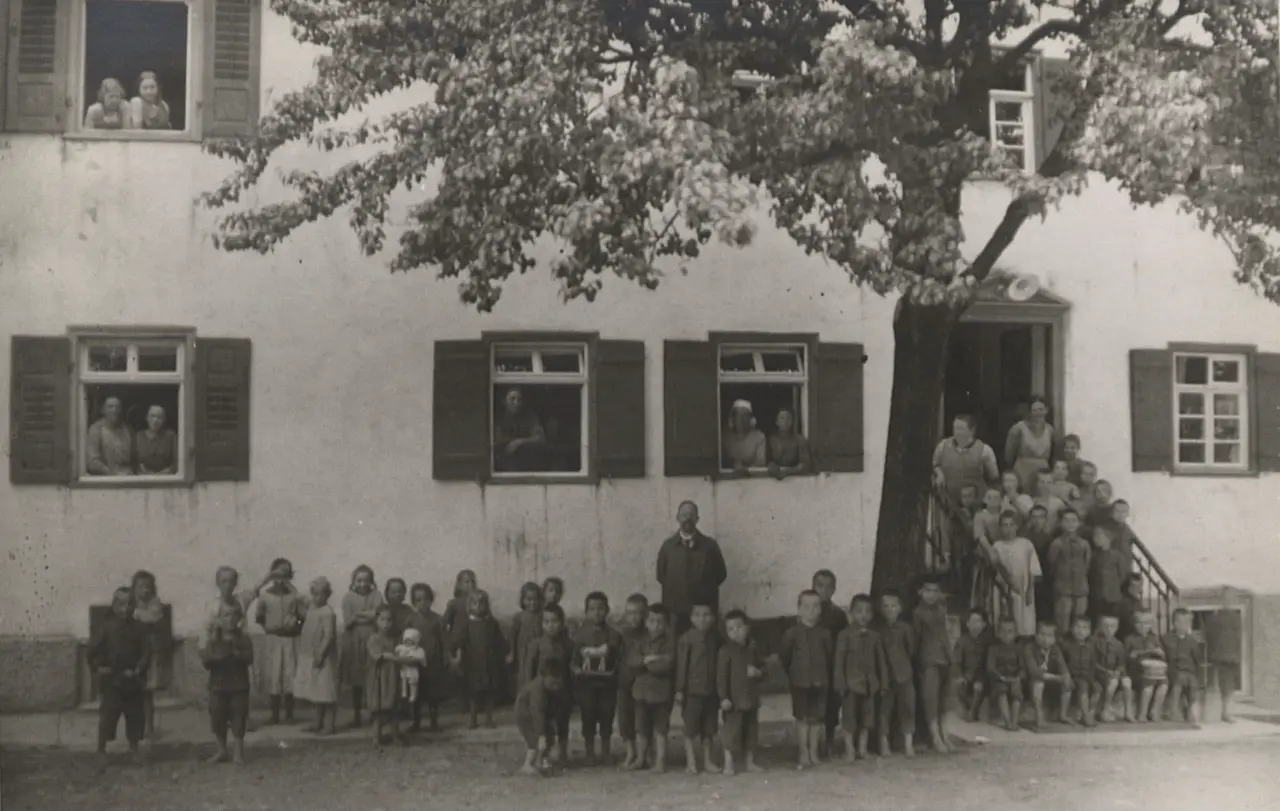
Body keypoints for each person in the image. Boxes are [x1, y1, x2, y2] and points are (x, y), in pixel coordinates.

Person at [91, 586, 151, 770]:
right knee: (108, 717)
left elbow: (146, 653)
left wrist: (139, 669)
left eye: (130, 604)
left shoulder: (140, 628)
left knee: (135, 717)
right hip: (113, 683)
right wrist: (99, 668)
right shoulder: (107, 628)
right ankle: (101, 751)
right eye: (122, 604)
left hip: (133, 681)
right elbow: (93, 652)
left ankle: (134, 750)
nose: (127, 608)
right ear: (115, 606)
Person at [780, 590, 833, 769]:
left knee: (817, 718)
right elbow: (785, 657)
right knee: (802, 718)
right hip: (800, 681)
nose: (811, 611)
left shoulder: (825, 634)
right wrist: (795, 674)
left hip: (821, 681)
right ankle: (803, 752)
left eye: (816, 606)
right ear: (799, 609)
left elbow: (830, 656)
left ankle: (814, 752)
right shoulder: (791, 633)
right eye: (806, 606)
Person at [656, 501, 728, 633]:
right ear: (678, 518)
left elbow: (721, 574)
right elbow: (661, 575)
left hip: (703, 612)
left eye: (691, 515)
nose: (687, 518)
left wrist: (703, 591)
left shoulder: (709, 546)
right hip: (675, 611)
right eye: (684, 515)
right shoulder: (668, 546)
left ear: (697, 519)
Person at [572, 591, 623, 764]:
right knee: (588, 717)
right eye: (592, 609)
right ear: (586, 611)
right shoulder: (579, 634)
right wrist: (576, 670)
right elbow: (574, 659)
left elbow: (617, 658)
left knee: (606, 716)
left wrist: (614, 671)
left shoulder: (614, 634)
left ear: (608, 610)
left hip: (607, 683)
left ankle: (606, 752)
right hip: (586, 684)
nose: (597, 612)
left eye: (601, 608)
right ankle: (589, 753)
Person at [833, 594, 885, 761]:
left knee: (867, 718)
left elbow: (881, 662)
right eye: (859, 611)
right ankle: (849, 748)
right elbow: (839, 661)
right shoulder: (844, 635)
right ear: (851, 613)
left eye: (868, 612)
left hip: (870, 685)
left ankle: (862, 749)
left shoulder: (875, 637)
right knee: (850, 718)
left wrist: (883, 683)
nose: (863, 615)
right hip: (850, 684)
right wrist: (840, 683)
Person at [202, 600, 253, 765]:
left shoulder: (244, 638)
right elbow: (207, 661)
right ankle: (221, 749)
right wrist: (214, 657)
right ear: (219, 618)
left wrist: (238, 653)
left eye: (234, 615)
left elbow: (249, 658)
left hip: (239, 685)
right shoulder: (214, 639)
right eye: (226, 615)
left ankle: (238, 752)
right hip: (218, 685)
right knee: (217, 715)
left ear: (239, 618)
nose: (230, 619)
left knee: (238, 717)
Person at [255, 558, 304, 725]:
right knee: (274, 674)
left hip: (290, 640)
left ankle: (289, 714)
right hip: (273, 640)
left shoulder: (294, 596)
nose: (280, 580)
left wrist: (295, 626)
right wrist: (270, 628)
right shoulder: (265, 596)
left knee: (289, 674)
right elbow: (259, 617)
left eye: (285, 575)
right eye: (276, 575)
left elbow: (302, 617)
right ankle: (274, 714)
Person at [628, 603, 676, 773]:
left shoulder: (670, 643)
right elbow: (632, 662)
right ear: (646, 622)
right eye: (652, 621)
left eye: (660, 622)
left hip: (661, 692)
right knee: (640, 727)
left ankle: (660, 760)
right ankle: (641, 758)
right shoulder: (640, 641)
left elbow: (666, 665)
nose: (655, 625)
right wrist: (649, 660)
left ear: (667, 624)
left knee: (660, 728)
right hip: (641, 691)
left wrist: (648, 662)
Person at [717, 609, 766, 776]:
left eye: (739, 627)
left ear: (747, 628)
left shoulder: (753, 648)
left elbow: (764, 668)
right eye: (730, 629)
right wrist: (723, 697)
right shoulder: (725, 651)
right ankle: (729, 763)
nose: (735, 632)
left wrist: (758, 673)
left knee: (751, 732)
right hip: (733, 701)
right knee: (732, 733)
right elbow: (721, 677)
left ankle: (750, 762)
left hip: (751, 699)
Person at [450, 589, 507, 729]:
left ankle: (488, 718)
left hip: (490, 662)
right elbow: (459, 641)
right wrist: (457, 656)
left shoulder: (491, 622)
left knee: (489, 692)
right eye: (474, 603)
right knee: (473, 692)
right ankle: (473, 719)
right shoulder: (466, 623)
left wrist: (505, 653)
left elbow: (499, 640)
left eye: (481, 603)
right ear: (469, 605)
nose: (478, 606)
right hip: (473, 662)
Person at [675, 603, 720, 774]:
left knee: (708, 728)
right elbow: (681, 666)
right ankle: (691, 761)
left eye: (707, 614)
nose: (702, 619)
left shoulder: (716, 638)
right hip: (692, 692)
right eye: (698, 615)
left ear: (713, 618)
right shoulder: (686, 639)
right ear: (691, 618)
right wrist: (679, 689)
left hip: (711, 691)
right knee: (690, 728)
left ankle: (708, 760)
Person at [525, 604, 574, 763]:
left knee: (562, 722)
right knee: (544, 722)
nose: (551, 625)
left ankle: (563, 752)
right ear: (541, 624)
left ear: (561, 623)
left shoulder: (568, 644)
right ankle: (543, 755)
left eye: (554, 621)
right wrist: (530, 690)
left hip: (563, 690)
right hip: (542, 691)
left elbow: (571, 667)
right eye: (546, 622)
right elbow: (529, 670)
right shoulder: (536, 644)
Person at [913, 575, 954, 753]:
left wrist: (951, 657)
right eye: (927, 590)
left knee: (944, 699)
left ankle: (945, 734)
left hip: (945, 657)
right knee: (930, 698)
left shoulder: (941, 610)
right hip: (928, 659)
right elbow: (916, 638)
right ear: (920, 592)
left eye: (935, 591)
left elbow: (945, 634)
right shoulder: (918, 613)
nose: (931, 594)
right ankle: (935, 736)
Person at [339, 564, 383, 728]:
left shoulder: (377, 595)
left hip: (372, 639)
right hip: (353, 641)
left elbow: (378, 616)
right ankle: (357, 714)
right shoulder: (348, 597)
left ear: (372, 581)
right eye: (359, 580)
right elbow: (348, 621)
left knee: (372, 677)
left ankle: (373, 713)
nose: (363, 584)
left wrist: (358, 614)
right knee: (356, 679)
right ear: (354, 581)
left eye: (367, 580)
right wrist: (368, 614)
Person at [294, 576, 339, 735]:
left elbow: (329, 635)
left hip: (323, 657)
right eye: (315, 594)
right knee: (317, 691)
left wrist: (321, 653)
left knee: (327, 691)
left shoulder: (327, 612)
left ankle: (329, 725)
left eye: (322, 594)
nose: (318, 597)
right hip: (311, 655)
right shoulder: (312, 609)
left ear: (328, 594)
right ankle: (317, 722)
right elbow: (299, 597)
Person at [987, 511, 1042, 638]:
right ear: (1000, 528)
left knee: (1024, 618)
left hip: (1023, 587)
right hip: (1004, 588)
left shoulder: (1026, 544)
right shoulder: (997, 546)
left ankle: (1023, 639)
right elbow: (995, 570)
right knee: (1006, 614)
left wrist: (1029, 590)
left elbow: (1032, 568)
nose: (1008, 529)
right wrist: (1005, 586)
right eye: (1005, 525)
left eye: (1011, 525)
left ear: (1016, 526)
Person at [130, 570, 170, 741]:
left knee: (147, 693)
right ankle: (134, 727)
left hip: (151, 652)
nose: (144, 590)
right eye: (140, 587)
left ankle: (149, 727)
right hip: (133, 652)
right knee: (133, 692)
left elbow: (151, 617)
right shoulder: (131, 602)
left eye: (148, 587)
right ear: (134, 588)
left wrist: (136, 615)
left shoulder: (155, 603)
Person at [932, 414, 1000, 511]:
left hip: (976, 506)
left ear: (972, 430)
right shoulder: (942, 446)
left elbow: (994, 478)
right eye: (955, 428)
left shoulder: (985, 450)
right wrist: (939, 474)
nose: (956, 432)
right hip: (949, 504)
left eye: (960, 429)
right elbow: (935, 465)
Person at [812, 569, 846, 757]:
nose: (823, 590)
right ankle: (813, 744)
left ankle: (830, 741)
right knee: (814, 706)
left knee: (832, 706)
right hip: (814, 667)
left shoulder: (838, 615)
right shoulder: (807, 613)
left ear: (833, 590)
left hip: (832, 665)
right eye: (819, 585)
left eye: (828, 587)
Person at [878, 591, 916, 757]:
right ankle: (884, 743)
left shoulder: (906, 629)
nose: (890, 610)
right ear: (880, 609)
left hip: (904, 674)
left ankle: (908, 743)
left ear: (900, 608)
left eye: (893, 606)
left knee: (907, 707)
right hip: (884, 676)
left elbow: (911, 650)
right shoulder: (878, 631)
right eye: (885, 606)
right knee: (884, 709)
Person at [616, 593, 650, 770]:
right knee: (624, 718)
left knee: (641, 720)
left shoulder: (649, 634)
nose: (634, 617)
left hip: (642, 683)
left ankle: (643, 755)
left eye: (638, 612)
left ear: (645, 614)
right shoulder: (621, 634)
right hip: (624, 682)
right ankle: (630, 752)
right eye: (630, 613)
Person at [367, 605, 409, 746]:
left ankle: (395, 735)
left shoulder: (395, 639)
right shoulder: (373, 639)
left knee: (394, 709)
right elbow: (377, 655)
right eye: (382, 619)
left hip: (392, 677)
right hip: (379, 679)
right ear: (376, 621)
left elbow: (402, 652)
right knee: (378, 710)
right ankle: (375, 738)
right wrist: (392, 656)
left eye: (389, 620)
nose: (386, 623)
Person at [516, 657, 565, 776]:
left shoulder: (552, 689)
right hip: (525, 714)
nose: (556, 686)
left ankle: (540, 762)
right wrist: (541, 735)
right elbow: (536, 711)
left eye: (558, 682)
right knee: (535, 742)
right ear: (544, 677)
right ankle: (527, 765)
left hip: (542, 714)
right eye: (553, 682)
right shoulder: (536, 689)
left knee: (549, 738)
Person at [408, 582, 446, 732]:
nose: (422, 603)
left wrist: (444, 658)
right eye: (418, 600)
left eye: (426, 599)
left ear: (431, 600)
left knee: (433, 694)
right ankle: (416, 722)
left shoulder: (438, 620)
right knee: (415, 694)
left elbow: (443, 640)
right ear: (413, 602)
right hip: (416, 662)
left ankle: (433, 721)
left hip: (432, 661)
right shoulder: (410, 620)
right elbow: (406, 640)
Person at [1048, 509, 1091, 636]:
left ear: (1079, 523)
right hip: (1063, 589)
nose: (1070, 524)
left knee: (1080, 621)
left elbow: (1087, 565)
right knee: (1062, 621)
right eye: (1066, 520)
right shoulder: (1056, 544)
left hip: (1081, 589)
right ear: (1061, 523)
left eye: (1073, 520)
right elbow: (1052, 564)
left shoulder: (1084, 544)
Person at [1205, 588, 1243, 723]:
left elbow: (1239, 637)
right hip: (1216, 655)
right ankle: (1214, 713)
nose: (1228, 601)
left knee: (1229, 685)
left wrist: (1237, 654)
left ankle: (1226, 712)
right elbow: (1209, 636)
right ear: (1220, 600)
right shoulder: (1213, 617)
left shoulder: (1237, 617)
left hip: (1232, 655)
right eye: (1225, 598)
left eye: (1231, 598)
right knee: (1215, 684)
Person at [1024, 620, 1071, 729]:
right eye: (1042, 634)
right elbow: (1035, 672)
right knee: (1038, 684)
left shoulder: (1055, 649)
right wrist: (1056, 677)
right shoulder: (1029, 648)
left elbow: (1063, 667)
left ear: (1055, 638)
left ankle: (1063, 714)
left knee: (1067, 681)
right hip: (1031, 681)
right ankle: (1039, 717)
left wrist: (1066, 676)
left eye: (1050, 636)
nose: (1045, 639)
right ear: (1036, 635)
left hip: (1051, 681)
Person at [1005, 395, 1055, 495]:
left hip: (1042, 471)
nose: (1038, 413)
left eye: (1041, 409)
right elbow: (1009, 453)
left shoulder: (1050, 429)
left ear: (1046, 410)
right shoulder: (1018, 428)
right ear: (1030, 412)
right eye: (1034, 410)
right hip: (1023, 470)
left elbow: (1052, 454)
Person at [1125, 610, 1168, 723]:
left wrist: (1160, 653)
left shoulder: (1154, 638)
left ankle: (1154, 710)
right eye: (1140, 623)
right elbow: (1128, 658)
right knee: (1148, 687)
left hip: (1152, 672)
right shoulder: (1130, 639)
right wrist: (1143, 652)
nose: (1143, 626)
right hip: (1136, 672)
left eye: (1147, 623)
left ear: (1151, 624)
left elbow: (1162, 656)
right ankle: (1142, 713)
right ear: (1134, 624)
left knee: (1163, 685)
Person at [1163, 608, 1203, 724]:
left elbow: (1197, 659)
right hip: (1173, 670)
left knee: (1193, 683)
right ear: (1173, 623)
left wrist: (1197, 675)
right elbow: (1167, 657)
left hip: (1189, 672)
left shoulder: (1192, 641)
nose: (1183, 625)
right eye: (1179, 622)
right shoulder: (1167, 638)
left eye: (1187, 622)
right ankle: (1173, 710)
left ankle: (1191, 709)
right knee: (1179, 680)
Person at [493, 386, 547, 471]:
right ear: (504, 401)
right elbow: (498, 441)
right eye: (512, 399)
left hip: (527, 465)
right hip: (503, 466)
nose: (516, 403)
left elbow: (541, 438)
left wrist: (519, 442)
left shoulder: (529, 417)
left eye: (519, 399)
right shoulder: (497, 419)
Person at [954, 608, 993, 723]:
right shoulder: (962, 641)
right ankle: (968, 706)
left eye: (979, 622)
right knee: (960, 687)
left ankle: (973, 712)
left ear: (985, 624)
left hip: (982, 674)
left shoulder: (988, 640)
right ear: (967, 624)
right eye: (972, 622)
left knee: (978, 686)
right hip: (967, 673)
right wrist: (960, 676)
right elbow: (957, 661)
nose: (975, 625)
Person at [986, 617, 1025, 731]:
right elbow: (990, 667)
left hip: (1014, 678)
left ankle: (1014, 721)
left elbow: (1022, 667)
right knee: (1001, 692)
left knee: (1017, 693)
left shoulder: (1018, 648)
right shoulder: (993, 648)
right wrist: (1001, 677)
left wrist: (1018, 678)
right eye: (1002, 631)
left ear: (1016, 633)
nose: (1006, 635)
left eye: (1010, 632)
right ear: (998, 633)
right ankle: (1007, 722)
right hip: (999, 678)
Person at [1092, 614, 1133, 722]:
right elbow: (1093, 662)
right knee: (1113, 682)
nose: (1109, 629)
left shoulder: (1118, 644)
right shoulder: (1095, 642)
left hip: (1114, 673)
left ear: (1117, 628)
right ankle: (1106, 708)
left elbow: (1122, 663)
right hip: (1100, 673)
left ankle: (1128, 711)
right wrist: (1106, 671)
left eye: (1112, 626)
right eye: (1106, 626)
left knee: (1127, 682)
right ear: (1101, 627)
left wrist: (1118, 671)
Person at [1059, 617, 1098, 727]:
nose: (1081, 631)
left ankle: (1087, 714)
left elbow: (1093, 664)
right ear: (1072, 629)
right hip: (1070, 675)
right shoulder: (1066, 645)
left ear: (1089, 632)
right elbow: (1062, 663)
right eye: (1078, 627)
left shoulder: (1091, 647)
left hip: (1085, 676)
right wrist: (1066, 675)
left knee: (1090, 689)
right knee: (1068, 688)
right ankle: (1063, 714)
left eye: (1085, 628)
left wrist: (1091, 678)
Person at [510, 582, 545, 694]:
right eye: (529, 599)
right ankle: (523, 698)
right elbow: (513, 635)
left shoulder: (543, 616)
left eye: (535, 599)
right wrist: (511, 652)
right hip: (523, 652)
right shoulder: (519, 617)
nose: (532, 602)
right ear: (523, 600)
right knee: (524, 674)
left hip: (539, 650)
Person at [1089, 528, 1128, 626]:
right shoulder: (1093, 555)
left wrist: (1113, 586)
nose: (1095, 539)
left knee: (1112, 619)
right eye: (1094, 536)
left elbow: (1122, 574)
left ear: (1108, 538)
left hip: (1112, 596)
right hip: (1097, 595)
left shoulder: (1117, 555)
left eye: (1099, 536)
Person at [86, 396, 133, 475]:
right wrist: (113, 473)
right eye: (110, 407)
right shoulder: (96, 429)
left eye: (117, 407)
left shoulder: (127, 429)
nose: (114, 410)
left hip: (127, 476)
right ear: (103, 410)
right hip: (106, 479)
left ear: (121, 410)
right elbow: (92, 462)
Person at [767, 406, 812, 479]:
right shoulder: (771, 440)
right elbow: (765, 461)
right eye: (782, 418)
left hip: (794, 481)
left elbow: (806, 465)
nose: (785, 421)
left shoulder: (800, 440)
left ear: (792, 421)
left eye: (788, 418)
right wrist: (771, 465)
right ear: (777, 422)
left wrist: (789, 471)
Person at [722, 399, 766, 473]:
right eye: (739, 415)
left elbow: (761, 464)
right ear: (733, 418)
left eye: (745, 415)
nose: (742, 419)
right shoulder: (724, 437)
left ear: (750, 419)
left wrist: (745, 470)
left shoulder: (759, 437)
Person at [134, 405, 177, 474]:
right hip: (143, 477)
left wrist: (167, 472)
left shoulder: (170, 436)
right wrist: (143, 472)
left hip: (166, 477)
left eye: (159, 417)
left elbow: (177, 461)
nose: (155, 420)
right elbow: (134, 461)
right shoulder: (139, 436)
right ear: (147, 418)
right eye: (152, 416)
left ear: (164, 419)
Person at [396, 628, 427, 706]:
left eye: (411, 641)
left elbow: (421, 657)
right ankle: (404, 692)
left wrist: (418, 660)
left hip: (412, 669)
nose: (408, 643)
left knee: (413, 682)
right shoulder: (402, 647)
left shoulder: (418, 650)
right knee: (403, 680)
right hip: (404, 668)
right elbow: (396, 651)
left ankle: (413, 695)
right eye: (406, 641)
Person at [1032, 471, 1068, 536]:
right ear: (1037, 484)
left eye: (1049, 482)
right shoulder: (1032, 502)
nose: (1045, 485)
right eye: (1042, 482)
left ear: (1053, 484)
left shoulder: (1058, 503)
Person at [443, 569, 478, 634]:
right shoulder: (454, 603)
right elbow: (445, 623)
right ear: (459, 585)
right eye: (467, 582)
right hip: (458, 637)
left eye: (473, 581)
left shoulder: (480, 602)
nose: (471, 585)